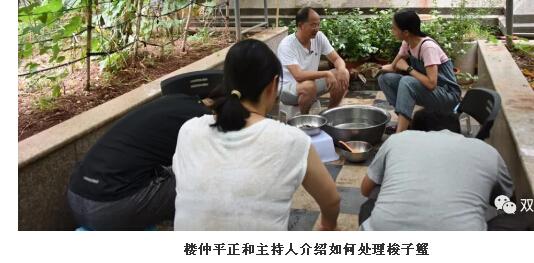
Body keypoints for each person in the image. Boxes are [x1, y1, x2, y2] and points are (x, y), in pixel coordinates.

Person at [173, 38, 341, 230]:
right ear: (273, 85)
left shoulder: (189, 130)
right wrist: (328, 226)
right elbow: (332, 200)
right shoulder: (292, 140)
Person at [66, 93, 211, 230]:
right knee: (209, 176)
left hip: (75, 197)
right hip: (109, 209)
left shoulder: (176, 103)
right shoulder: (202, 121)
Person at [359, 109, 515, 231]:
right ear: (456, 131)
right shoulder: (486, 151)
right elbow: (506, 199)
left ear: (415, 130)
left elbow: (365, 189)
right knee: (515, 218)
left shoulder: (397, 140)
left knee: (375, 191)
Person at [378, 9, 461, 133]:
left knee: (407, 81)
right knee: (385, 78)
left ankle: (399, 135)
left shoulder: (428, 47)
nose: (392, 31)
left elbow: (431, 84)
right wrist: (371, 68)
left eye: (394, 28)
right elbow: (392, 67)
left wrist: (408, 68)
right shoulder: (407, 43)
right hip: (430, 92)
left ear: (406, 32)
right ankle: (407, 122)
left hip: (447, 95)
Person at [276, 7, 350, 115]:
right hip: (287, 90)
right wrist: (326, 73)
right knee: (309, 86)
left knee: (342, 74)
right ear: (300, 25)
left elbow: (336, 59)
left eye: (318, 24)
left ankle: (330, 113)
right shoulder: (287, 45)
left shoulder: (319, 37)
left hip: (311, 85)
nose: (317, 29)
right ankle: (304, 119)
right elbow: (298, 76)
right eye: (313, 25)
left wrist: (342, 69)